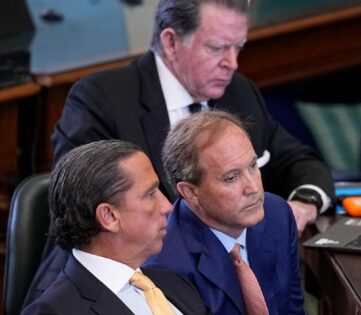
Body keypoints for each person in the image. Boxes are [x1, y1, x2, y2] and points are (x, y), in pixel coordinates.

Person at [24, 0, 334, 307]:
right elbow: (83, 211)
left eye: (238, 47)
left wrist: (303, 205)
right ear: (171, 42)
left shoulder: (239, 92)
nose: (233, 63)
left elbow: (299, 162)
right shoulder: (101, 100)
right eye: (217, 48)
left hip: (217, 280)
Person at [22, 140, 210, 315]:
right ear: (109, 216)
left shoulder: (178, 285)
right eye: (151, 194)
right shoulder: (55, 311)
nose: (167, 206)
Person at [145, 110, 305, 314]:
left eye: (253, 166)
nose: (253, 188)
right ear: (190, 192)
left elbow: (293, 309)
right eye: (231, 178)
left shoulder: (277, 214)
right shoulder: (165, 265)